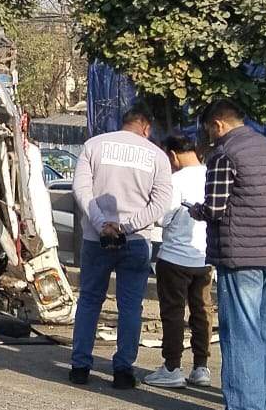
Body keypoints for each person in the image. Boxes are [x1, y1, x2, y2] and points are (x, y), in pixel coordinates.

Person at [188, 99, 266, 410]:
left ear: (218, 124)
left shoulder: (224, 154)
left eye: (209, 130)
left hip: (240, 255)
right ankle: (263, 402)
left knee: (241, 334)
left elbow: (216, 208)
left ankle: (244, 405)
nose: (210, 136)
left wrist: (197, 210)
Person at [69, 106, 172, 390]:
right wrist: (127, 227)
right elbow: (160, 203)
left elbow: (81, 190)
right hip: (136, 240)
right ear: (146, 128)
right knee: (130, 307)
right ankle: (123, 369)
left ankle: (80, 366)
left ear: (123, 123)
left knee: (89, 301)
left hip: (95, 238)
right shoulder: (158, 157)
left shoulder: (94, 146)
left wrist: (103, 223)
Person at [144, 134, 212, 389]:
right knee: (202, 312)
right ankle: (201, 367)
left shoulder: (175, 180)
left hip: (174, 258)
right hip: (204, 258)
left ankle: (172, 367)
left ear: (173, 155)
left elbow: (162, 218)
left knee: (173, 314)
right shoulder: (210, 175)